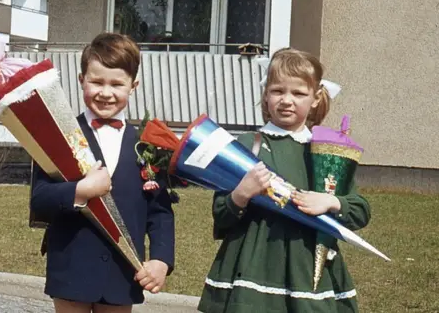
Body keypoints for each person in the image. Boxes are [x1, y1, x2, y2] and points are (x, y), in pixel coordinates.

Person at [197, 48, 370, 313]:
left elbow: (359, 211)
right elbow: (221, 216)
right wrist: (241, 194)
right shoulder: (246, 146)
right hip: (253, 269)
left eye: (298, 93)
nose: (286, 100)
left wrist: (331, 201)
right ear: (266, 95)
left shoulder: (327, 152)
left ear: (315, 98)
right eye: (278, 91)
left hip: (309, 271)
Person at [31, 33, 175, 313]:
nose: (106, 93)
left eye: (116, 84)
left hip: (123, 272)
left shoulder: (147, 144)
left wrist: (160, 259)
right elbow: (40, 199)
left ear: (133, 86)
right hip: (72, 268)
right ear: (81, 79)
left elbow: (160, 212)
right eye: (96, 82)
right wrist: (80, 191)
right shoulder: (57, 138)